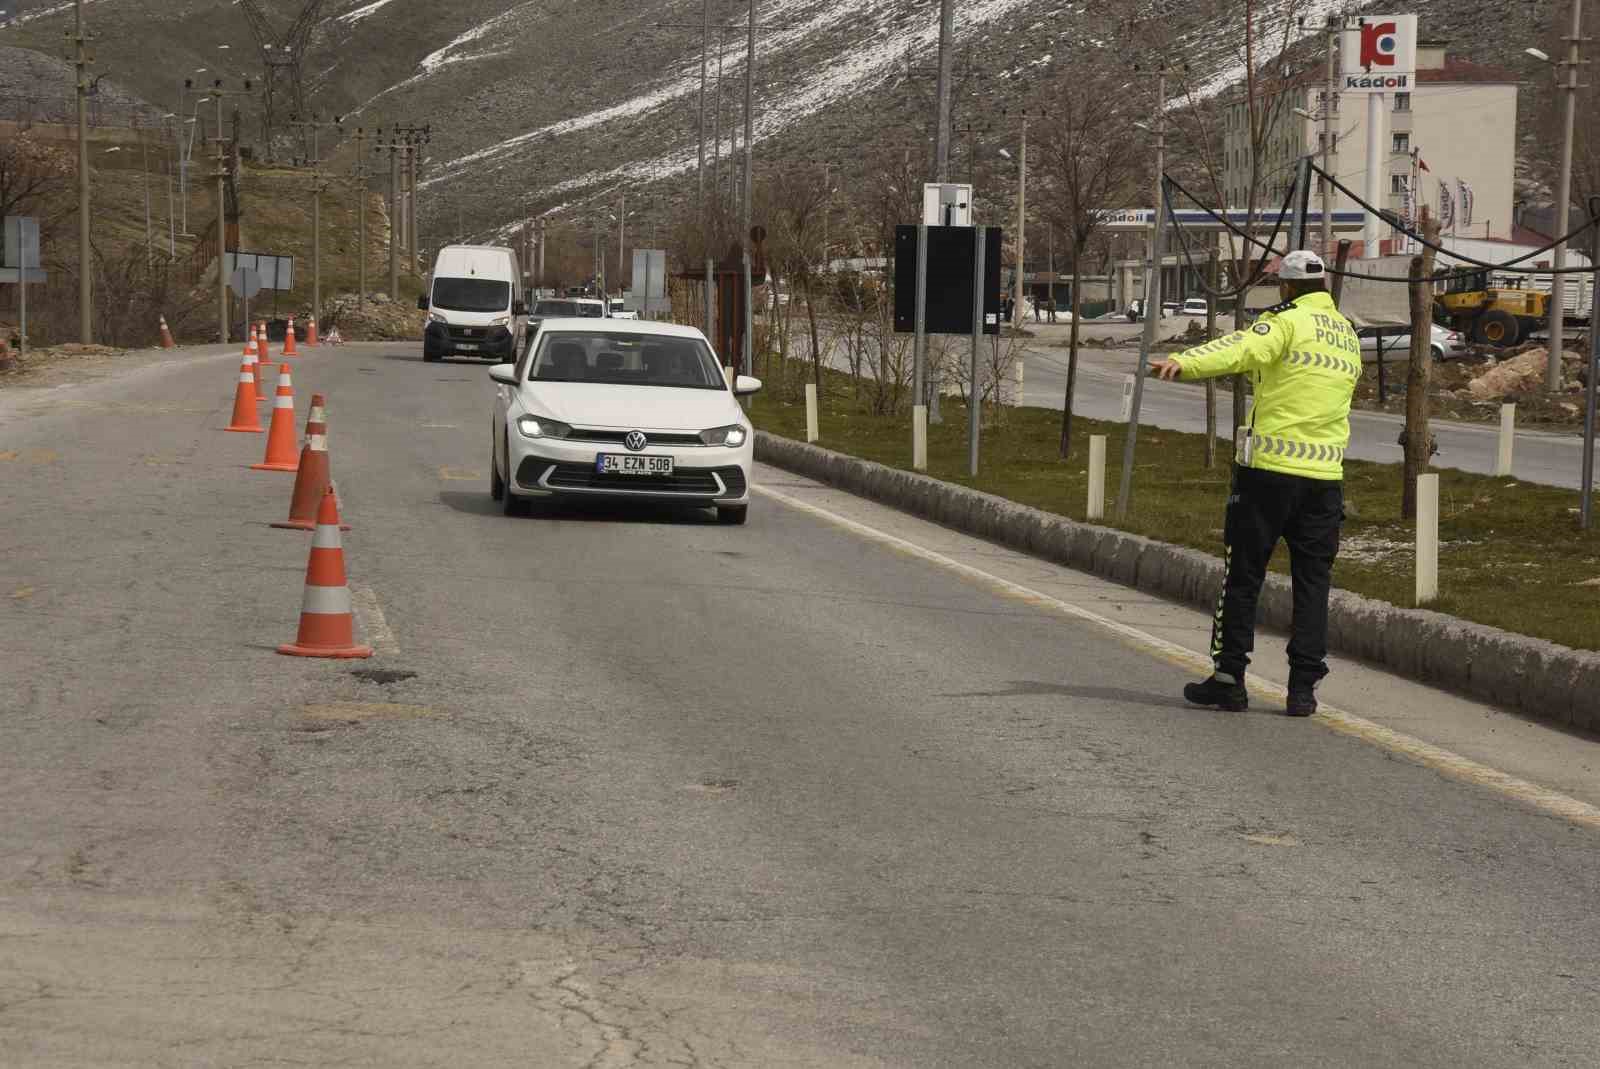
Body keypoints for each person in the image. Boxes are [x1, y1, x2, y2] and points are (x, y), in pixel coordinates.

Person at [1149, 250, 1360, 717]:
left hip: (1269, 471)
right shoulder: (1347, 334)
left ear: (1285, 288)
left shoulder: (1284, 322)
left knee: (1243, 575)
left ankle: (1229, 678)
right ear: (1323, 285)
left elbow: (1242, 348)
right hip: (1326, 479)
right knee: (1313, 583)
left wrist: (1184, 362)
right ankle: (1303, 689)